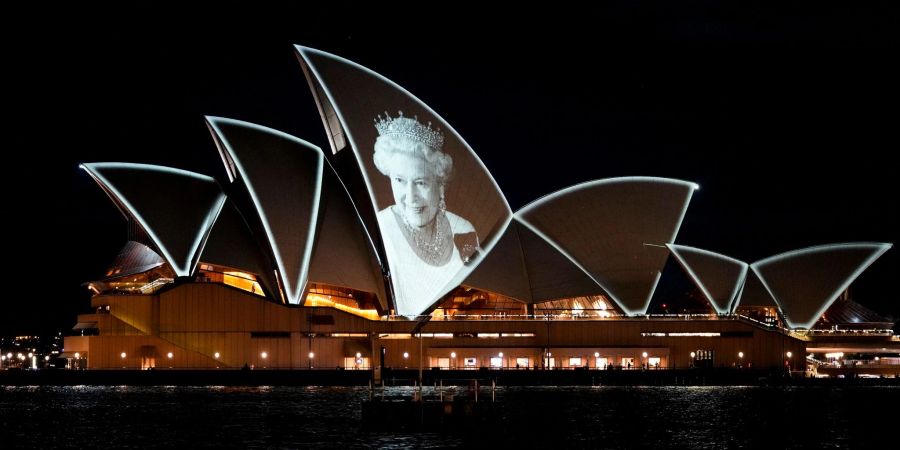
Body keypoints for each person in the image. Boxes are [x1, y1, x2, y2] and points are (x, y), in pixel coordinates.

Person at [373, 111, 479, 316]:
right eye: (400, 180)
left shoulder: (464, 230)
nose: (410, 197)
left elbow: (475, 289)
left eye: (420, 182)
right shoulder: (381, 229)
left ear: (440, 184)